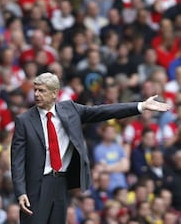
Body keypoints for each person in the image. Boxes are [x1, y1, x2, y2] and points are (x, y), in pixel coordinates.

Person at [10, 72, 172, 224]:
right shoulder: (24, 120)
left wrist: (140, 106)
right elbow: (17, 160)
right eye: (35, 90)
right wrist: (21, 191)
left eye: (42, 91)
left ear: (54, 93)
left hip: (61, 182)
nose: (36, 94)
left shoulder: (70, 109)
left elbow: (103, 111)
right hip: (36, 185)